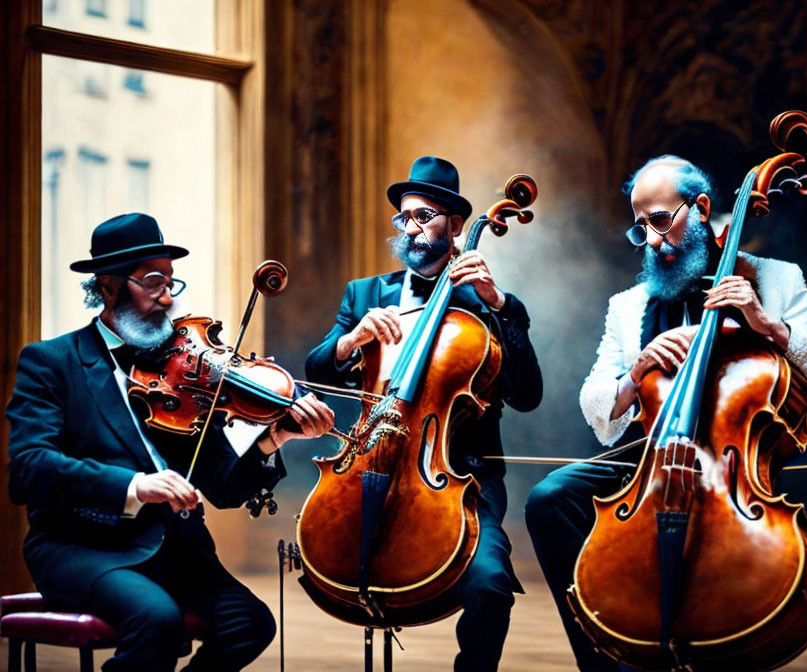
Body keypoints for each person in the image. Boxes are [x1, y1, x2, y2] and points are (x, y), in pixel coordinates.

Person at [524, 155, 807, 672]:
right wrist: (636, 374)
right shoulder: (628, 306)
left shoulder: (776, 280)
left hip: (733, 466)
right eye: (640, 228)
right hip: (656, 456)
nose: (652, 239)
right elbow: (597, 409)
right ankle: (609, 652)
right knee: (549, 499)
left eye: (660, 220)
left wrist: (768, 325)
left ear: (700, 208)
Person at [6, 213, 335, 672]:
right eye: (153, 282)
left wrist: (274, 438)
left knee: (251, 624)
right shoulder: (50, 362)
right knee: (156, 621)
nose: (166, 298)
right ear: (108, 287)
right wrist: (136, 486)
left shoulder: (185, 375)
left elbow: (222, 488)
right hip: (81, 547)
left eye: (171, 284)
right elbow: (29, 467)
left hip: (174, 549)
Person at [305, 156, 543, 671]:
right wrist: (352, 339)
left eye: (425, 216)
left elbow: (527, 394)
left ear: (457, 226)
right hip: (368, 464)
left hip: (462, 481)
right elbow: (318, 369)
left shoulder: (489, 304)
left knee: (492, 585)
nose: (411, 227)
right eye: (404, 217)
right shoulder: (365, 295)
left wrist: (498, 303)